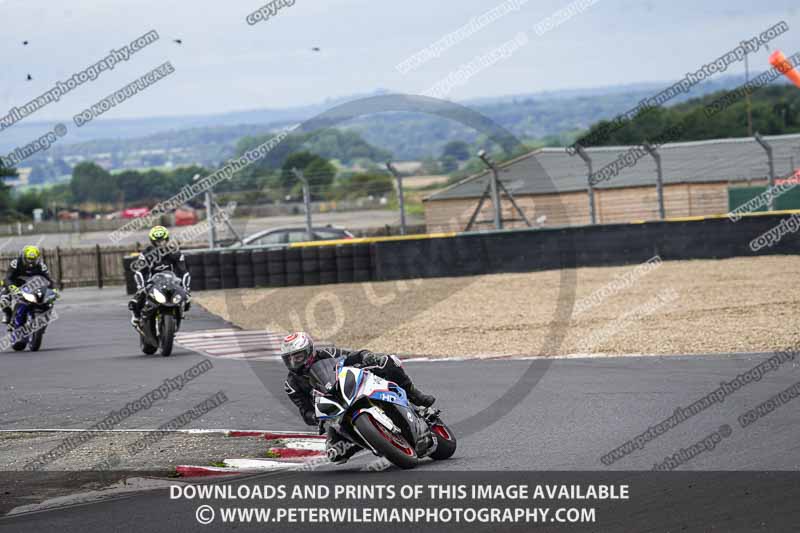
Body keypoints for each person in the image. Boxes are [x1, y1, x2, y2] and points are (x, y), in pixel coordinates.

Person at [280, 331, 435, 463]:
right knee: (335, 454)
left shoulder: (327, 354)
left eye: (298, 357)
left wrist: (367, 357)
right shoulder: (291, 384)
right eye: (289, 359)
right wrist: (315, 416)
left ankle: (415, 395)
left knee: (388, 362)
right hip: (335, 410)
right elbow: (304, 410)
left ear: (309, 351)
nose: (294, 362)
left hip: (351, 386)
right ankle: (365, 440)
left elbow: (352, 356)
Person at [128, 225, 191, 326]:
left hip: (171, 281)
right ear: (152, 241)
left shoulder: (175, 252)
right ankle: (136, 316)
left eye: (163, 241)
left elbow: (184, 272)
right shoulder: (146, 254)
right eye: (158, 241)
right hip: (152, 282)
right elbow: (139, 272)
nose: (161, 244)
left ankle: (179, 312)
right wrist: (141, 287)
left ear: (167, 239)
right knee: (137, 300)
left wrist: (186, 288)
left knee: (187, 298)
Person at [2, 245, 54, 324]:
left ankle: (40, 315)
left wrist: (52, 291)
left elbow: (49, 280)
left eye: (33, 260)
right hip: (15, 283)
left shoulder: (41, 266)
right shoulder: (15, 263)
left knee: (46, 300)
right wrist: (12, 287)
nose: (30, 262)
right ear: (23, 257)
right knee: (3, 299)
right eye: (29, 259)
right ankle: (8, 314)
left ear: (37, 258)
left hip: (30, 285)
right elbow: (8, 278)